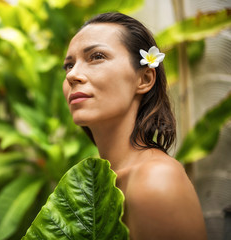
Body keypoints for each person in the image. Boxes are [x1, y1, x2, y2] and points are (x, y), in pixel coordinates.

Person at [62, 12, 207, 240]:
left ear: (145, 79)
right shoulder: (96, 182)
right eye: (68, 65)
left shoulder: (156, 180)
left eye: (96, 56)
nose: (73, 75)